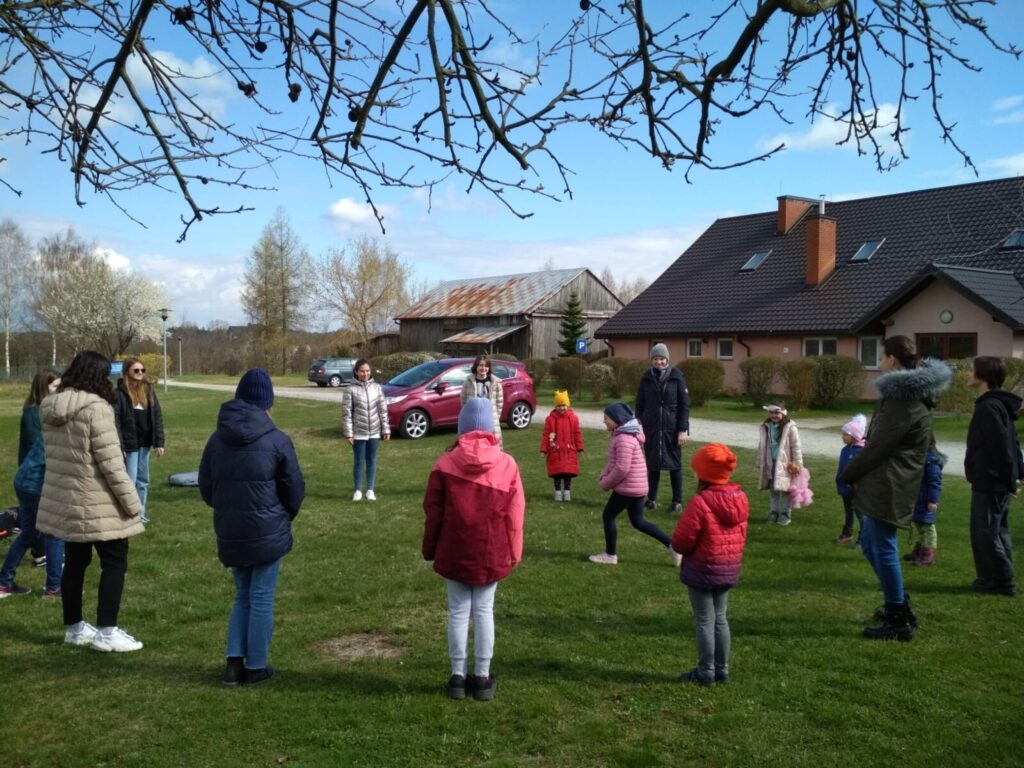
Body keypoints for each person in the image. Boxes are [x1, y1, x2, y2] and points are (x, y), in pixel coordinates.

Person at [841, 336, 952, 640]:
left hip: (890, 481)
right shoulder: (911, 393)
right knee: (869, 543)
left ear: (891, 358)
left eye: (881, 354)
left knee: (883, 547)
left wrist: (848, 474)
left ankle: (898, 619)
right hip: (888, 479)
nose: (879, 359)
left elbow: (878, 445)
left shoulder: (903, 398)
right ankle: (898, 600)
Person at [199, 368, 305, 685]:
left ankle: (234, 664)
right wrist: (281, 516)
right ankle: (256, 665)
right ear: (268, 402)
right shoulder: (277, 439)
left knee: (242, 596)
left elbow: (206, 487)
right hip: (267, 530)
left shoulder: (217, 440)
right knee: (261, 598)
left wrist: (230, 510)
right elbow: (294, 489)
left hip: (232, 528)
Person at [35, 350, 145, 652]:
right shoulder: (97, 409)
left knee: (76, 563)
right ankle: (107, 631)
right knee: (115, 560)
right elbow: (111, 464)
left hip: (67, 500)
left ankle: (74, 627)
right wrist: (133, 505)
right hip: (98, 502)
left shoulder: (49, 406)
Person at [422, 397, 525, 702]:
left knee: (458, 611)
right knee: (483, 610)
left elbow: (433, 513)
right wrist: (515, 551)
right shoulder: (507, 464)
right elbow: (515, 515)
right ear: (491, 428)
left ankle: (457, 676)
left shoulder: (444, 463)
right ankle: (481, 676)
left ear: (462, 427)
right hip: (490, 549)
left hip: (453, 547)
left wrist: (430, 548)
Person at [672, 443, 749, 687]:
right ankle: (722, 669)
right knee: (720, 618)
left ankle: (706, 671)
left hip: (703, 570)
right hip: (727, 567)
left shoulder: (701, 502)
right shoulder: (740, 498)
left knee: (705, 620)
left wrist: (678, 547)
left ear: (703, 473)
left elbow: (682, 541)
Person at [589, 402, 681, 567]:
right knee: (638, 522)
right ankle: (672, 546)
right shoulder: (623, 435)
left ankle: (610, 555)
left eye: (606, 418)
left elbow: (622, 468)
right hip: (637, 488)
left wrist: (606, 483)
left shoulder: (623, 439)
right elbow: (614, 462)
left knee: (608, 516)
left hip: (628, 488)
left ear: (617, 419)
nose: (604, 421)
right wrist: (604, 474)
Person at [0, 371, 64, 599]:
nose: (60, 391)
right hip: (36, 481)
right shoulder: (37, 414)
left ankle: (4, 583)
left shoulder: (49, 413)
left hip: (27, 480)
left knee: (28, 533)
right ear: (43, 387)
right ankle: (54, 588)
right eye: (57, 386)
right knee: (55, 534)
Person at [964, 355, 1023, 597]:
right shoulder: (996, 404)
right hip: (994, 480)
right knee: (997, 531)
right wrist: (1018, 473)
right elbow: (1013, 441)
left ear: (983, 376)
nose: (967, 373)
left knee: (986, 532)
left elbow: (1002, 446)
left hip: (991, 481)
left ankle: (1002, 581)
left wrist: (1011, 480)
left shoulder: (989, 407)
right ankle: (991, 578)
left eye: (971, 370)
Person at [635, 343, 689, 514]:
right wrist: (639, 425)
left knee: (674, 466)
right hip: (651, 427)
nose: (659, 362)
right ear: (652, 360)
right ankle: (651, 499)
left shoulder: (677, 376)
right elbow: (640, 403)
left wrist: (682, 430)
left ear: (667, 359)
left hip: (671, 428)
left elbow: (684, 405)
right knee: (652, 465)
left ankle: (677, 502)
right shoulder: (646, 377)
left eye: (662, 359)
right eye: (656, 359)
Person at [115, 357, 165, 525]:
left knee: (143, 480)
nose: (140, 373)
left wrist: (159, 442)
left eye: (142, 370)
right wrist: (120, 445)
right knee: (130, 480)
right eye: (136, 370)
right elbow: (116, 421)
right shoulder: (120, 393)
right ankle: (129, 514)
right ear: (127, 372)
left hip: (145, 443)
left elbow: (157, 416)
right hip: (130, 445)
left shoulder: (149, 390)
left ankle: (140, 513)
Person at [341, 359, 390, 502]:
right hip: (358, 433)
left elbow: (383, 410)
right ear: (356, 372)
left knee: (372, 460)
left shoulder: (377, 388)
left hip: (374, 432)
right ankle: (357, 490)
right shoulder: (350, 389)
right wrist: (349, 433)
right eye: (362, 371)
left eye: (367, 371)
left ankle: (370, 489)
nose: (365, 373)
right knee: (358, 461)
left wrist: (385, 429)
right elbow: (347, 413)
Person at [756, 401, 803, 526]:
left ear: (783, 413)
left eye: (776, 413)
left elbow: (796, 447)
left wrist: (798, 463)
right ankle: (774, 512)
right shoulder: (766, 426)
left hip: (785, 464)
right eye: (771, 413)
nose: (774, 415)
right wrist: (760, 461)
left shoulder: (790, 427)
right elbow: (762, 445)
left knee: (786, 489)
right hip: (770, 462)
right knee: (773, 490)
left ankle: (785, 514)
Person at [540, 390, 584, 502]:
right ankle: (558, 492)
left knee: (568, 473)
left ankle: (567, 492)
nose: (561, 408)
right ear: (555, 406)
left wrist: (579, 448)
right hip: (556, 451)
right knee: (557, 473)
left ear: (568, 405)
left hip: (569, 451)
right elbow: (546, 435)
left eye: (563, 405)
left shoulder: (573, 419)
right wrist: (544, 449)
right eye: (559, 405)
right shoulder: (550, 419)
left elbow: (577, 433)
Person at [906, 442, 944, 567]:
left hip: (926, 501)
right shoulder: (919, 459)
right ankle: (920, 548)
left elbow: (935, 483)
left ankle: (928, 553)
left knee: (927, 527)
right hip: (917, 499)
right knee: (919, 525)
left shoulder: (931, 463)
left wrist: (933, 500)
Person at [834, 414, 866, 545]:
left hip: (857, 489)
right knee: (848, 511)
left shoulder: (861, 452)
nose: (842, 437)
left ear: (854, 436)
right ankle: (847, 534)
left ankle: (863, 539)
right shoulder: (845, 450)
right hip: (845, 487)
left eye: (845, 434)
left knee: (861, 514)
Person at [460, 353, 504, 445]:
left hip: (490, 421)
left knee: (492, 448)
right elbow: (463, 400)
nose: (483, 368)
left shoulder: (496, 383)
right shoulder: (468, 382)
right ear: (476, 366)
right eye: (481, 365)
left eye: (486, 366)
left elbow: (499, 403)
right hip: (472, 422)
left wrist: (494, 417)